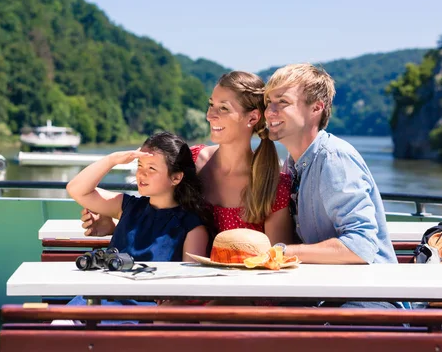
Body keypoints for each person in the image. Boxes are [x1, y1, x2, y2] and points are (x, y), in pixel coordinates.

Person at [81, 71, 294, 246]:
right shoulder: (190, 160)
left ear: (253, 117)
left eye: (223, 108)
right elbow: (158, 215)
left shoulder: (273, 184)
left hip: (240, 294)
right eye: (211, 104)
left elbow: (276, 262)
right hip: (180, 286)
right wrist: (117, 225)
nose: (210, 115)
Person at [264, 63, 398, 308]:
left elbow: (361, 247)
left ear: (316, 108)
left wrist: (280, 252)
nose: (269, 112)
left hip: (369, 298)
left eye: (281, 102)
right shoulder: (291, 166)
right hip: (325, 293)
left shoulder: (333, 158)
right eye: (268, 103)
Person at [64, 131, 211, 309]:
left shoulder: (192, 227)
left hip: (142, 314)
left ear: (176, 177)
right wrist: (112, 160)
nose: (141, 174)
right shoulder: (128, 206)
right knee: (58, 326)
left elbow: (190, 286)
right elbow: (76, 189)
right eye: (139, 165)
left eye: (151, 168)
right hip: (100, 301)